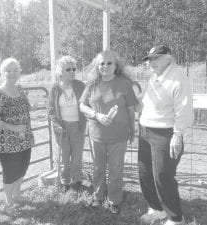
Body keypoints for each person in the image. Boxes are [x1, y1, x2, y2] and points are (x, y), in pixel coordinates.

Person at [138, 45, 193, 225]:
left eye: (156, 58)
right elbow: (145, 103)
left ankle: (176, 218)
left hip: (165, 132)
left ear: (169, 57)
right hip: (146, 130)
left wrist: (178, 134)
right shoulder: (154, 76)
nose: (152, 62)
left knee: (163, 176)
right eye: (150, 59)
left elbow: (184, 108)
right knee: (145, 173)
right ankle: (158, 210)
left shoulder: (178, 77)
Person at [79, 50, 137, 214]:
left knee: (115, 169)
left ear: (116, 65)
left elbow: (131, 110)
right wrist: (96, 114)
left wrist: (132, 131)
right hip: (96, 135)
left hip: (118, 135)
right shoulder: (92, 84)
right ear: (97, 66)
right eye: (102, 63)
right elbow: (82, 106)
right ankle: (98, 197)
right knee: (98, 168)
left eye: (109, 63)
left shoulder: (124, 84)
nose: (105, 66)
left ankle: (114, 200)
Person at [0, 58, 34, 213]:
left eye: (16, 70)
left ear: (19, 72)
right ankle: (8, 203)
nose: (12, 73)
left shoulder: (20, 89)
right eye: (9, 70)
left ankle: (17, 194)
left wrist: (36, 107)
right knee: (10, 172)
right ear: (3, 73)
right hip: (6, 141)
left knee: (23, 167)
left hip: (24, 138)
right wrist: (15, 128)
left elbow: (27, 107)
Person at [47, 55, 86, 192]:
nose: (72, 71)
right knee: (64, 157)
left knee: (77, 156)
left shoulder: (81, 86)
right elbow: (51, 110)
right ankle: (65, 182)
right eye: (68, 69)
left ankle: (77, 181)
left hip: (78, 126)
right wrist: (56, 124)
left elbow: (87, 104)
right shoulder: (55, 89)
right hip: (62, 127)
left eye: (74, 69)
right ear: (60, 72)